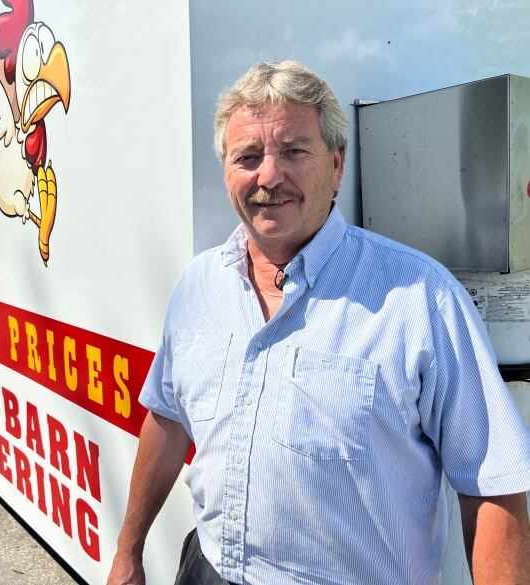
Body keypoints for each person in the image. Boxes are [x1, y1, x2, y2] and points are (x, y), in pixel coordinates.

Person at [106, 60, 530, 585]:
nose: (268, 176)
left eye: (293, 150)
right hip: (208, 569)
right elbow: (168, 419)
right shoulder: (199, 285)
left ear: (336, 163)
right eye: (248, 156)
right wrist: (128, 551)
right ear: (226, 172)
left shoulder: (421, 297)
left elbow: (493, 484)